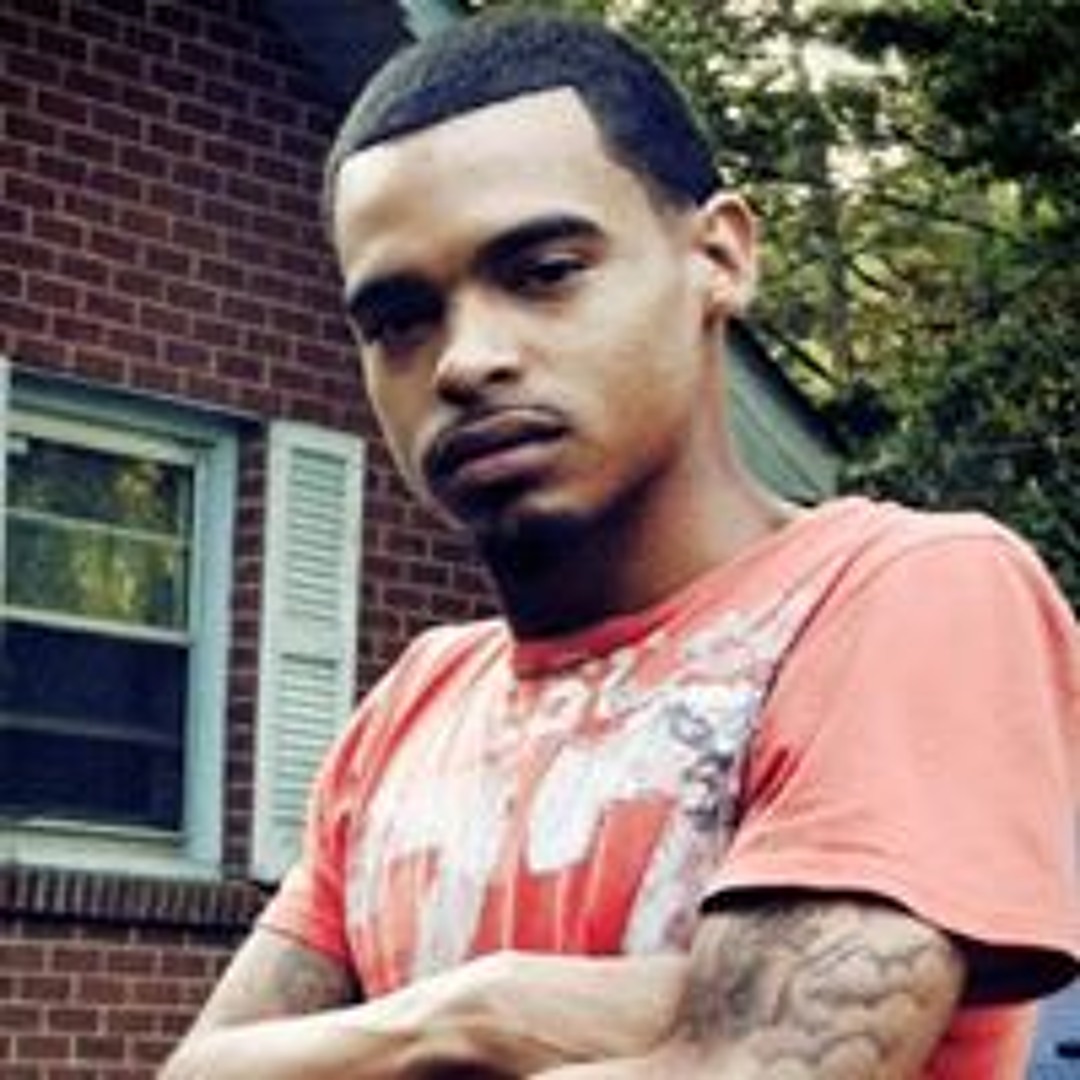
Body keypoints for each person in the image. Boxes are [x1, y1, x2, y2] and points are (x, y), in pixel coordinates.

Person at [161, 9, 1079, 1078]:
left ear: (719, 258)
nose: (465, 361)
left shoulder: (903, 594)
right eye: (400, 319)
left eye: (544, 270)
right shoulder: (414, 701)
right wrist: (470, 1018)